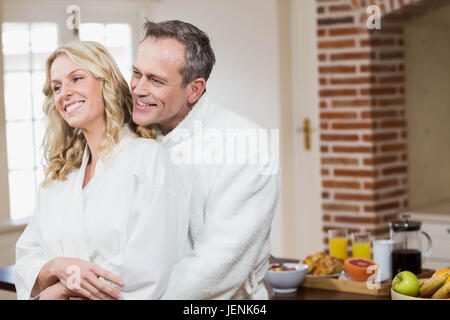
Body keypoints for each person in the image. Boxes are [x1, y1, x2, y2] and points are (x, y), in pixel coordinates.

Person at [14, 41, 190, 300]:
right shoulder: (59, 178)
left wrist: (66, 286)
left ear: (106, 81)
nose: (65, 93)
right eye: (57, 87)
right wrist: (55, 267)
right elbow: (28, 257)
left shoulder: (148, 159)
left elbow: (150, 264)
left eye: (77, 78)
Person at [131, 20, 281, 299]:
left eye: (155, 80)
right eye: (136, 73)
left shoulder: (247, 142)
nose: (138, 89)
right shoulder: (133, 136)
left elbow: (218, 264)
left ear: (194, 90)